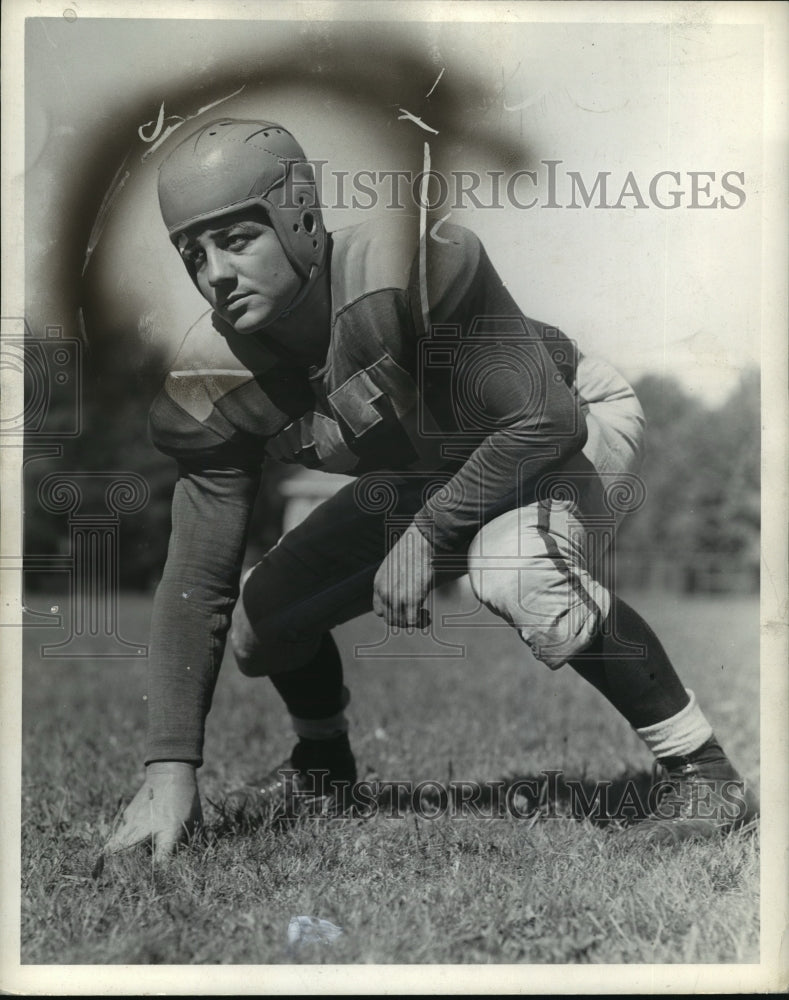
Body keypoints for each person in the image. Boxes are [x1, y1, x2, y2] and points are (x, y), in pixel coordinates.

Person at [105, 117, 757, 861]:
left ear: (300, 219)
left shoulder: (406, 268)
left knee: (513, 570)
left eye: (237, 239)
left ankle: (702, 770)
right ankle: (324, 769)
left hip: (564, 412)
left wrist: (427, 535)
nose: (213, 272)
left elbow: (543, 419)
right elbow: (196, 580)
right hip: (429, 472)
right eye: (192, 252)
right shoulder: (211, 382)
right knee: (263, 623)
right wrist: (168, 767)